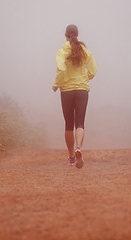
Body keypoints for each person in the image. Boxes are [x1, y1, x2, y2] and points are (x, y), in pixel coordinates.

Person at [52, 24, 97, 168]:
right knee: (80, 122)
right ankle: (79, 148)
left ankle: (71, 156)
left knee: (68, 124)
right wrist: (84, 79)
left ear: (65, 35)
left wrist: (56, 84)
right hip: (82, 90)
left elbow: (61, 70)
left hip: (66, 91)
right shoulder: (85, 51)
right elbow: (93, 71)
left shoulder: (61, 51)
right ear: (77, 35)